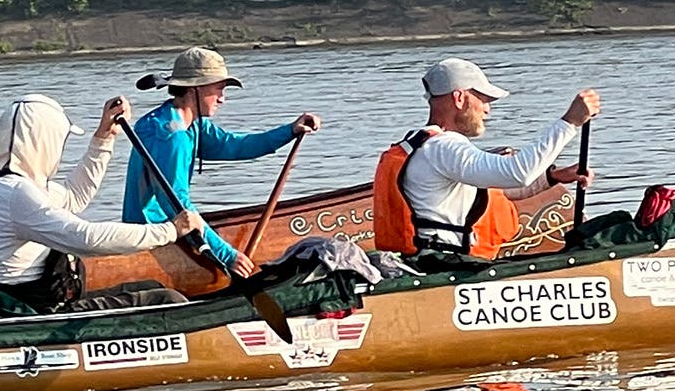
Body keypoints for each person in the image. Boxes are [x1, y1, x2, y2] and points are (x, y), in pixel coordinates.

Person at [0, 94, 200, 312]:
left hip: (37, 296)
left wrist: (105, 137)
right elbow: (86, 239)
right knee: (168, 300)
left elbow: (75, 196)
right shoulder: (14, 192)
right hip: (34, 309)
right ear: (44, 141)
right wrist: (170, 231)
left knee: (153, 288)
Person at [120, 47, 322, 275]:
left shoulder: (192, 125)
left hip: (173, 228)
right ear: (195, 89)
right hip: (152, 235)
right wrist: (226, 255)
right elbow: (177, 204)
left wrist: (290, 131)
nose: (223, 99)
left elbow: (235, 145)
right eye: (218, 89)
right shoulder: (168, 134)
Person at [372, 57, 596, 259]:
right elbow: (518, 174)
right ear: (459, 98)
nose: (487, 109)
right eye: (483, 99)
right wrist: (569, 122)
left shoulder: (420, 143)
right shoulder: (444, 147)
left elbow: (499, 188)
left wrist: (552, 176)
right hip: (446, 265)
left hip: (433, 259)